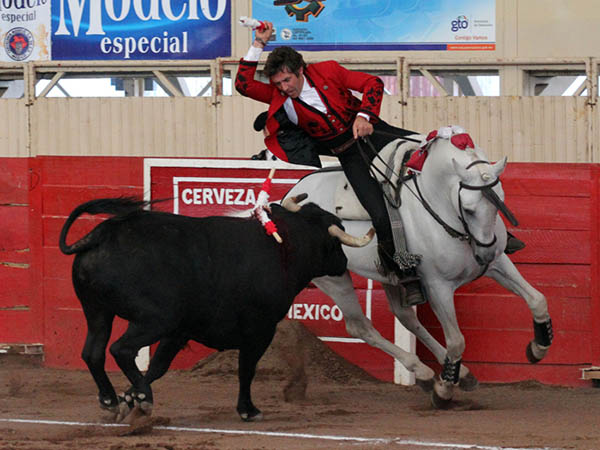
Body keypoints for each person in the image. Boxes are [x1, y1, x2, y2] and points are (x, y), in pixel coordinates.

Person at [235, 21, 525, 305]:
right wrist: (258, 43)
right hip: (348, 153)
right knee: (379, 212)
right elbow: (242, 83)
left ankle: (498, 236)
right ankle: (406, 273)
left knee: (442, 159)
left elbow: (371, 84)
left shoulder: (328, 70)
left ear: (301, 70)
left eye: (288, 80)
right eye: (278, 84)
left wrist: (365, 116)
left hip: (376, 133)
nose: (284, 88)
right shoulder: (276, 95)